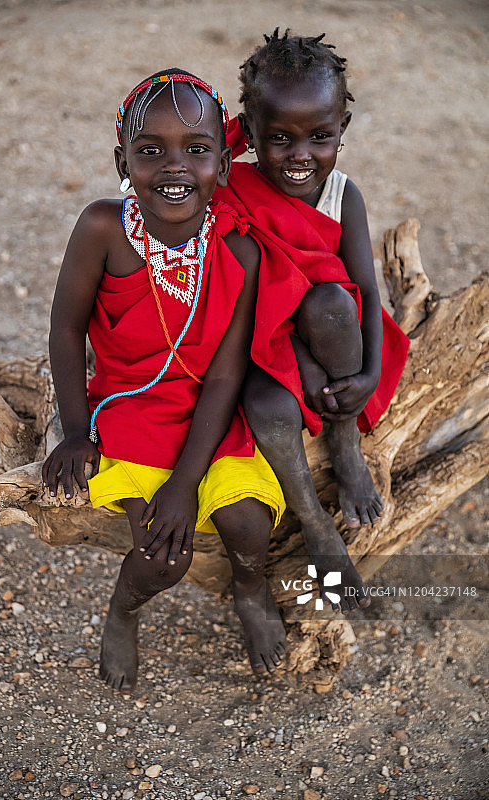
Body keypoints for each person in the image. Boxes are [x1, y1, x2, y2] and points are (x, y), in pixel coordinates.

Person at [42, 69, 287, 691]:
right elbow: (67, 330)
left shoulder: (239, 252)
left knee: (248, 527)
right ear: (120, 158)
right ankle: (122, 613)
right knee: (161, 557)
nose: (174, 167)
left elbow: (228, 371)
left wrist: (185, 483)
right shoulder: (103, 229)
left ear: (225, 162)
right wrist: (74, 432)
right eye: (150, 151)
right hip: (131, 410)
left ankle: (251, 591)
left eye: (197, 150)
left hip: (212, 411)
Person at [214, 30, 410, 610]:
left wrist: (369, 376)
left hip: (332, 338)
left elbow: (367, 293)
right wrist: (296, 366)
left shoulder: (342, 196)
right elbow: (236, 306)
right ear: (249, 133)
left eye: (320, 137)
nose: (301, 155)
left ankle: (345, 446)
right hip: (258, 344)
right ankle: (317, 528)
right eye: (279, 138)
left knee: (332, 301)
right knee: (269, 409)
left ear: (342, 130)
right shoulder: (231, 188)